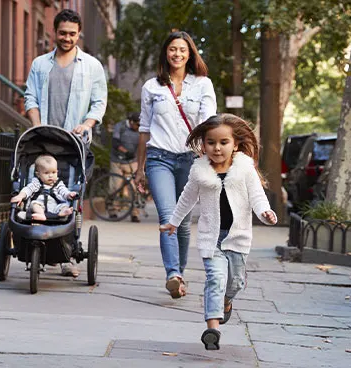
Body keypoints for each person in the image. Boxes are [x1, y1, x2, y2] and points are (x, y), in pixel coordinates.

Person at [159, 114, 277, 351]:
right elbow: (187, 199)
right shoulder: (199, 171)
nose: (217, 148)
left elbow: (256, 195)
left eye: (224, 142)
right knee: (215, 279)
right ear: (203, 145)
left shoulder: (244, 168)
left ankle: (226, 301)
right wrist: (173, 221)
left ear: (235, 145)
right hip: (211, 237)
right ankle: (213, 328)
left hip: (238, 238)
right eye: (211, 142)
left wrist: (265, 212)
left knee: (234, 283)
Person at [24, 9, 108, 277]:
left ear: (79, 33)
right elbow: (31, 97)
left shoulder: (92, 66)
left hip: (74, 143)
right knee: (38, 191)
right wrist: (36, 124)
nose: (67, 38)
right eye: (62, 33)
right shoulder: (40, 64)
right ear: (54, 31)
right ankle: (36, 244)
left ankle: (65, 256)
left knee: (70, 195)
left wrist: (87, 124)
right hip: (44, 141)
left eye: (72, 34)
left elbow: (99, 103)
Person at [135, 31, 217, 298]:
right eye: (172, 49)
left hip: (191, 160)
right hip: (159, 158)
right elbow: (144, 129)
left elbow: (209, 125)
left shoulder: (203, 84)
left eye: (182, 49)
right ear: (165, 53)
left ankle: (178, 275)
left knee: (182, 222)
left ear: (190, 54)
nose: (177, 54)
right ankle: (172, 273)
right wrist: (140, 167)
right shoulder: (151, 87)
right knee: (168, 216)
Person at [11, 155, 77, 221]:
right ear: (38, 174)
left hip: (54, 208)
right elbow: (28, 189)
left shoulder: (58, 184)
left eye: (53, 172)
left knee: (64, 206)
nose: (51, 175)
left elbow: (64, 191)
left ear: (57, 172)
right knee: (34, 204)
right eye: (46, 173)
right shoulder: (36, 183)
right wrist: (20, 196)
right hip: (39, 207)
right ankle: (41, 215)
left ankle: (62, 213)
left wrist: (69, 194)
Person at [109, 112, 141, 222]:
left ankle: (134, 213)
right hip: (117, 161)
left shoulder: (140, 130)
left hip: (132, 162)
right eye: (137, 125)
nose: (139, 127)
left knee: (134, 188)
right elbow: (115, 142)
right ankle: (113, 211)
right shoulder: (120, 126)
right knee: (115, 187)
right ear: (131, 122)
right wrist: (125, 151)